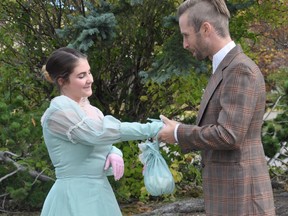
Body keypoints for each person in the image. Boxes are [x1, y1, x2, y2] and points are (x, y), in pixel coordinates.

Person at [158, 0, 275, 215]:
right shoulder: (225, 68)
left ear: (205, 29)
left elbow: (229, 135)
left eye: (186, 35)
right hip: (230, 196)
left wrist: (178, 132)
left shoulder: (240, 70)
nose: (184, 44)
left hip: (242, 201)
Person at [40, 47, 163, 216]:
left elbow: (99, 140)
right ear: (62, 81)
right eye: (81, 76)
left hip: (99, 193)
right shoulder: (60, 111)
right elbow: (97, 135)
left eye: (89, 73)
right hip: (74, 195)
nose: (89, 79)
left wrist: (114, 151)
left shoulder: (91, 110)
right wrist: (154, 128)